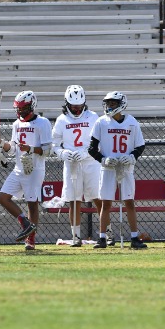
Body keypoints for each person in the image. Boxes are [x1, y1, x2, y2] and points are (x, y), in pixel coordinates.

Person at [88, 91, 147, 250]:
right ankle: (102, 238)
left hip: (126, 168)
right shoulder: (101, 122)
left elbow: (140, 145)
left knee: (129, 202)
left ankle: (134, 237)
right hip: (108, 168)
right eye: (108, 103)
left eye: (113, 103)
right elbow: (92, 148)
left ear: (121, 104)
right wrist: (103, 159)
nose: (109, 106)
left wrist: (132, 157)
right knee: (106, 203)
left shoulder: (132, 122)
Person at [0, 90, 52, 250]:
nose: (20, 111)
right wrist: (1, 142)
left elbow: (48, 150)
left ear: (32, 106)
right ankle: (25, 223)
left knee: (32, 204)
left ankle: (31, 240)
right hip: (19, 168)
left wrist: (30, 149)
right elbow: (12, 149)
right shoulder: (16, 124)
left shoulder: (42, 123)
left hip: (34, 169)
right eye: (18, 108)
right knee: (3, 198)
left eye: (23, 107)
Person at [52, 85, 103, 247]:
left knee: (98, 197)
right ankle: (76, 237)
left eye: (79, 106)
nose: (76, 110)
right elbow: (54, 144)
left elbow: (100, 141)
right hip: (72, 163)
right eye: (74, 107)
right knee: (74, 200)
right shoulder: (61, 120)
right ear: (67, 104)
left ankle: (106, 234)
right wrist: (62, 153)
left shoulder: (92, 117)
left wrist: (87, 152)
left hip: (91, 163)